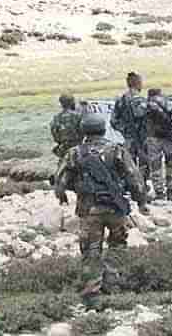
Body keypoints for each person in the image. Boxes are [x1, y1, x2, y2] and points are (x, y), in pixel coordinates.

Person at [53, 113, 148, 308]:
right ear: (104, 129)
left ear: (83, 131)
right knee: (118, 245)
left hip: (88, 210)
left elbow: (60, 180)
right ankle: (112, 284)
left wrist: (62, 195)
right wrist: (141, 201)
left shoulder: (75, 153)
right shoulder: (117, 150)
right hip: (116, 208)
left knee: (91, 250)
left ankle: (91, 295)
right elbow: (134, 177)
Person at [145, 88, 172, 200]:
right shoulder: (169, 103)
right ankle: (170, 191)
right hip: (169, 138)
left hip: (153, 137)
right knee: (170, 165)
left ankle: (159, 193)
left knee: (155, 166)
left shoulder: (147, 104)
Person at [110, 72, 149, 184]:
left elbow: (113, 121)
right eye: (140, 82)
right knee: (144, 164)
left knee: (129, 164)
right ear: (137, 83)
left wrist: (124, 130)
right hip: (141, 138)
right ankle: (141, 187)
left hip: (128, 139)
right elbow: (141, 115)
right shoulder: (140, 100)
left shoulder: (121, 100)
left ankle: (131, 187)